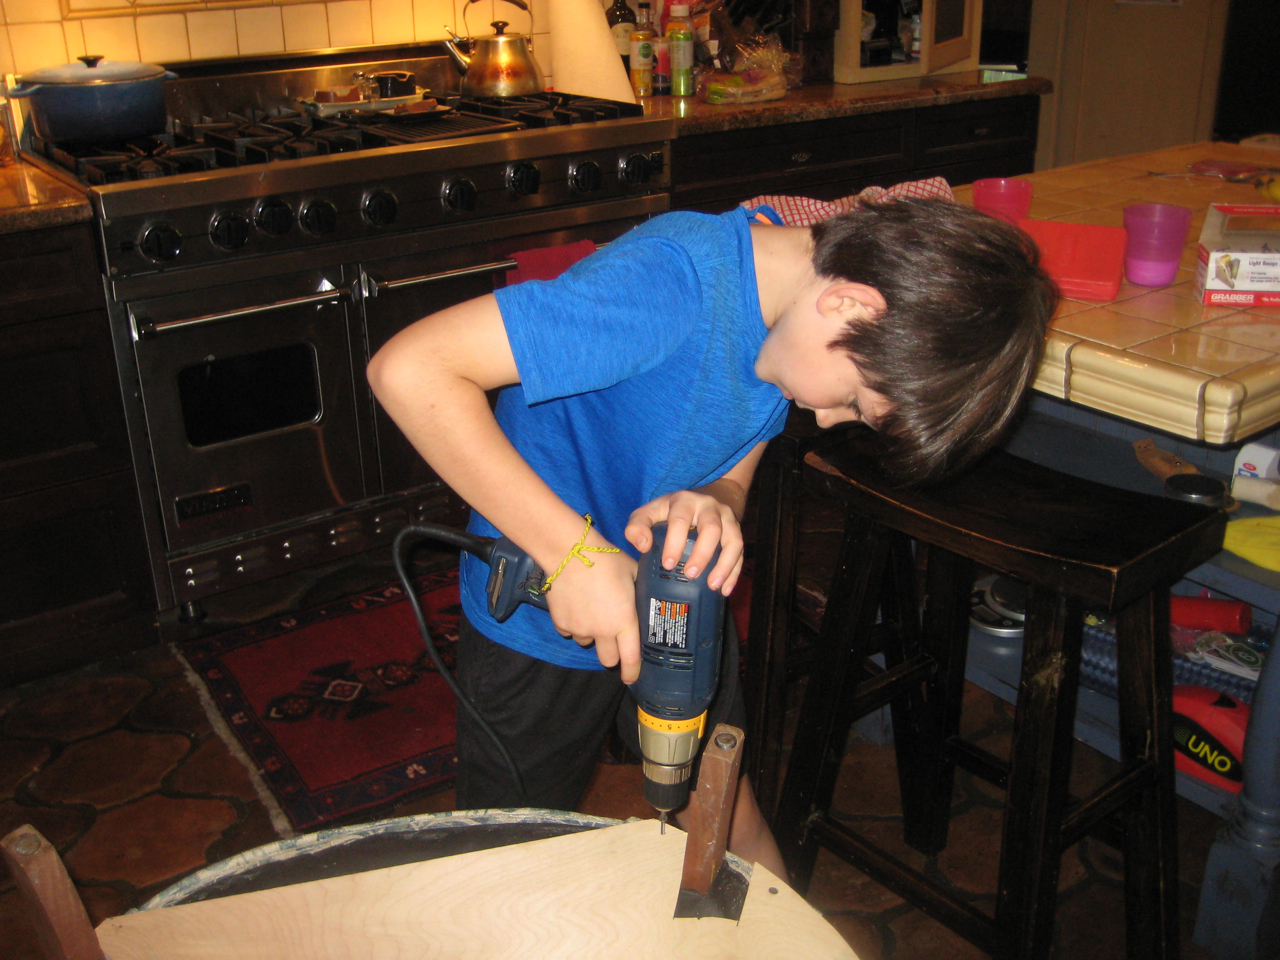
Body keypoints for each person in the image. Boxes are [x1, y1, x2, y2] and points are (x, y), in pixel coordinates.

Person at [366, 198, 1057, 880]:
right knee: (506, 861)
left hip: (677, 588)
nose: (824, 418)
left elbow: (739, 423)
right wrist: (572, 554)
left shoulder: (788, 302)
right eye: (855, 402)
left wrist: (722, 493)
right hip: (547, 608)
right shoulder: (668, 287)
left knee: (724, 811)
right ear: (851, 305)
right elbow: (409, 370)